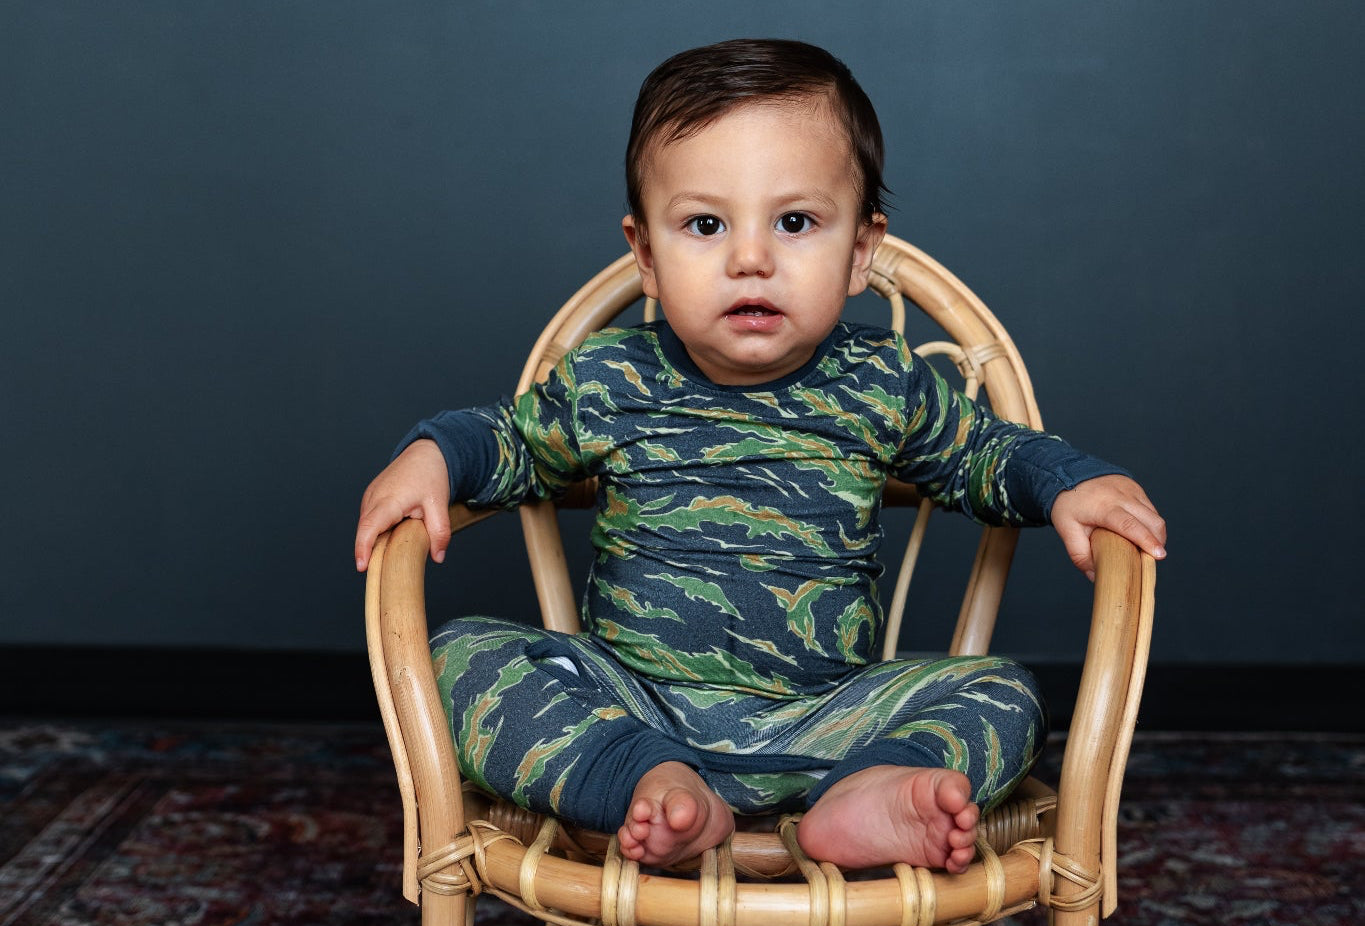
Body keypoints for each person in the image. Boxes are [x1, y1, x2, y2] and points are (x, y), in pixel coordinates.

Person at [354, 38, 1166, 873]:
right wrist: (432, 453)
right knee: (456, 657)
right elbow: (510, 443)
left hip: (826, 720)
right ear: (645, 257)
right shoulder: (609, 377)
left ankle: (870, 790)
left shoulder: (882, 382)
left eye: (795, 222)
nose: (751, 257)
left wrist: (1070, 481)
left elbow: (985, 456)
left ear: (858, 251)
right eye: (705, 224)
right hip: (635, 708)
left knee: (1004, 693)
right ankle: (650, 785)